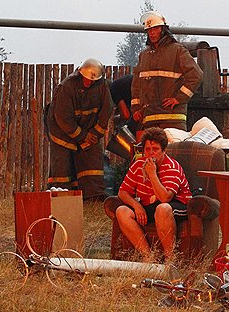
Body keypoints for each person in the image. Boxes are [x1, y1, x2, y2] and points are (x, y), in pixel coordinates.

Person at [115, 127, 192, 261]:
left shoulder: (172, 166)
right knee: (122, 211)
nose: (150, 154)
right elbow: (123, 192)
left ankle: (170, 259)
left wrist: (152, 174)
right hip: (148, 204)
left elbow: (165, 198)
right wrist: (136, 206)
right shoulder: (138, 164)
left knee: (162, 209)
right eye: (147, 150)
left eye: (155, 150)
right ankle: (149, 257)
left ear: (164, 150)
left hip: (175, 205)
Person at [46, 58, 113, 200]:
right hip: (62, 134)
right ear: (80, 74)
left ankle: (93, 196)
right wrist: (82, 136)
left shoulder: (102, 87)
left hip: (89, 133)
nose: (89, 82)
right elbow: (63, 118)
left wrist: (94, 134)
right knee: (62, 167)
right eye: (86, 79)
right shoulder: (66, 87)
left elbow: (106, 111)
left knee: (93, 163)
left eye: (92, 80)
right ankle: (62, 198)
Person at [131, 11, 203, 134]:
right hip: (149, 118)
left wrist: (179, 98)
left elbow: (196, 75)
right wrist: (136, 109)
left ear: (163, 29)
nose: (152, 33)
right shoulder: (144, 55)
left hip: (172, 119)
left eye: (155, 28)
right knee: (152, 152)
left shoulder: (178, 50)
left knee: (173, 151)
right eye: (149, 30)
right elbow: (136, 85)